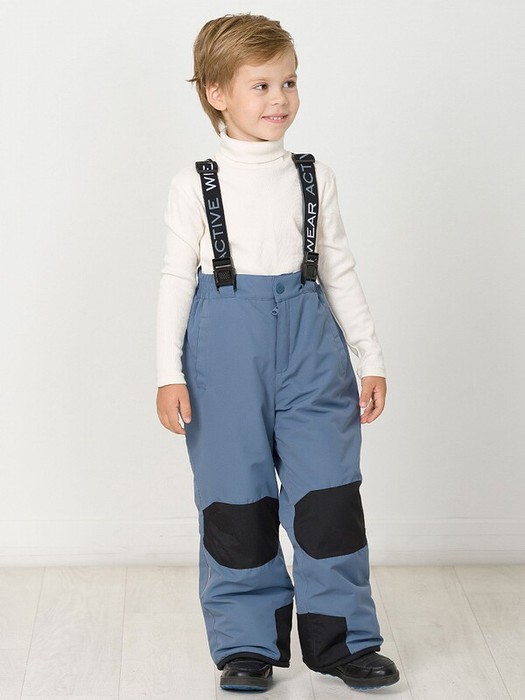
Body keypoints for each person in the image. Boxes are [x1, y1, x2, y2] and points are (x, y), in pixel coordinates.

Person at [156, 12, 400, 693]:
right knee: (235, 501)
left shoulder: (313, 175)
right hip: (222, 353)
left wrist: (370, 357)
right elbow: (175, 279)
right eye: (260, 85)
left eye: (288, 82)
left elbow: (338, 270)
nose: (280, 99)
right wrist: (167, 373)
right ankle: (246, 645)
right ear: (216, 93)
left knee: (329, 496)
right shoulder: (194, 183)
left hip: (310, 346)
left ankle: (344, 642)